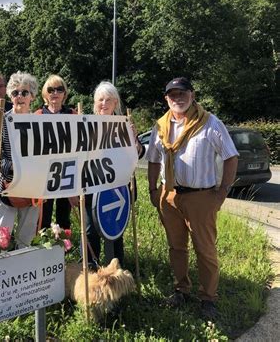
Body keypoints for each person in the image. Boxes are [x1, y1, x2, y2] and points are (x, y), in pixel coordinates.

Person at [146, 77, 238, 319]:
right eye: (172, 94)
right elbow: (153, 159)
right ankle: (181, 290)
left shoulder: (210, 123)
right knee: (176, 247)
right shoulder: (160, 126)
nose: (177, 98)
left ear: (192, 95)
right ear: (166, 98)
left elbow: (231, 156)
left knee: (205, 250)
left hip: (201, 197)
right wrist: (153, 190)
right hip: (170, 196)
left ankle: (208, 298)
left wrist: (222, 192)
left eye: (182, 93)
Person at [84, 81, 145, 268]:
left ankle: (117, 272)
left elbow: (138, 155)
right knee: (90, 230)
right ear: (95, 103)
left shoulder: (124, 125)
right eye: (100, 99)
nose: (103, 103)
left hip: (118, 188)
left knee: (115, 229)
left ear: (115, 102)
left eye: (108, 99)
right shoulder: (85, 125)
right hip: (92, 188)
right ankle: (92, 270)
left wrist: (134, 141)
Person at [0, 71, 40, 248]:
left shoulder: (41, 123)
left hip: (32, 189)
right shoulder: (2, 120)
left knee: (26, 238)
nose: (20, 96)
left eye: (24, 92)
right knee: (0, 238)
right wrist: (14, 169)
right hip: (6, 189)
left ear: (32, 96)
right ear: (10, 96)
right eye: (16, 93)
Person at [35, 75, 78, 230]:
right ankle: (42, 250)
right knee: (42, 217)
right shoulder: (38, 115)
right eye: (51, 89)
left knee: (64, 216)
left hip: (66, 172)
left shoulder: (73, 114)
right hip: (44, 174)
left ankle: (63, 250)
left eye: (59, 89)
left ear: (64, 94)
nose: (55, 93)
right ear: (45, 94)